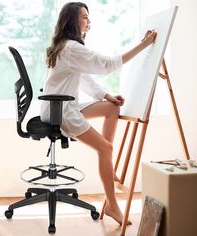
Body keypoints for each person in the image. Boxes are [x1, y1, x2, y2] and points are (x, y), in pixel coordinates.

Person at [40, 2, 157, 225]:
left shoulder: (66, 47)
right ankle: (113, 205)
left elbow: (82, 77)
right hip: (60, 110)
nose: (88, 21)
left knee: (112, 107)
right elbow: (107, 65)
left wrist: (105, 95)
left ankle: (107, 161)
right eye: (84, 17)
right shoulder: (72, 48)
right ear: (73, 20)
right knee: (106, 147)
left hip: (62, 105)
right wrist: (143, 45)